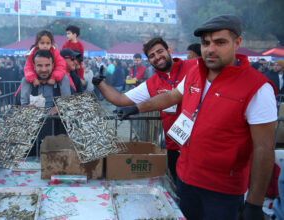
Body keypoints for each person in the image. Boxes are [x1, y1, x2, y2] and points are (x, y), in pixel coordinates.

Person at [118, 15, 277, 220]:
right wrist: (136, 108)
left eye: (220, 42)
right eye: (206, 43)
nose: (210, 49)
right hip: (186, 179)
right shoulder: (195, 73)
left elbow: (264, 148)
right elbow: (171, 96)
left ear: (237, 43)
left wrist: (254, 203)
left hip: (222, 191)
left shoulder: (258, 88)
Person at [93, 37, 197, 182]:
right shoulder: (152, 83)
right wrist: (100, 84)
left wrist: (136, 109)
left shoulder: (194, 66)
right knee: (182, 192)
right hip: (174, 145)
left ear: (169, 51)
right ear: (149, 61)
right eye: (152, 56)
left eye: (160, 52)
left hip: (198, 144)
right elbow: (121, 99)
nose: (157, 57)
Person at [20, 50, 70, 155]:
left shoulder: (62, 79)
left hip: (57, 132)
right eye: (39, 65)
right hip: (33, 133)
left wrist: (59, 108)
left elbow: (68, 103)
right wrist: (27, 108)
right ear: (34, 66)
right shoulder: (26, 81)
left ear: (53, 65)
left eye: (47, 65)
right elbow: (22, 105)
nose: (43, 69)